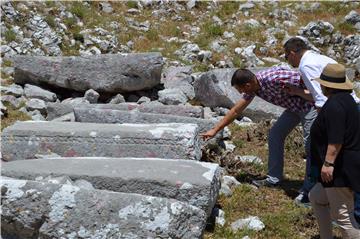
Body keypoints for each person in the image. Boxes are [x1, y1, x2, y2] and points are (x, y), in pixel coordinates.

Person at [200, 66, 317, 206]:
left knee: (311, 146)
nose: (242, 93)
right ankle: (273, 179)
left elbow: (309, 80)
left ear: (248, 85)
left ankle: (309, 192)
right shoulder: (254, 87)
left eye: (241, 90)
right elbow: (237, 110)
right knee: (275, 134)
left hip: (311, 107)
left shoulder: (274, 77)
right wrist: (215, 129)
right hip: (295, 108)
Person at [284, 36, 360, 221]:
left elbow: (322, 100)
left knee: (339, 160)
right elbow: (322, 93)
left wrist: (323, 128)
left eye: (286, 56)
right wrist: (297, 92)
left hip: (338, 114)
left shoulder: (305, 65)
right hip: (351, 107)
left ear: (293, 53)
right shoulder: (318, 58)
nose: (287, 60)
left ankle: (348, 213)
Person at [308, 63, 360, 238]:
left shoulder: (335, 106)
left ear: (327, 85)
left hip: (339, 169)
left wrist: (328, 164)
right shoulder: (346, 100)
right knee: (317, 197)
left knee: (343, 217)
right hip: (344, 165)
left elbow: (336, 139)